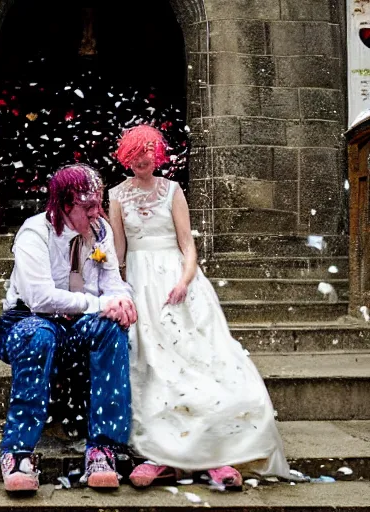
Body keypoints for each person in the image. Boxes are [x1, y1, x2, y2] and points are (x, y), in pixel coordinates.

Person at [108, 125, 291, 489]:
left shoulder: (172, 191)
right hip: (140, 283)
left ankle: (215, 452)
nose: (142, 159)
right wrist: (119, 289)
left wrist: (184, 281)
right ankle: (165, 455)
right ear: (127, 157)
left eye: (148, 152)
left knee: (198, 360)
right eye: (135, 153)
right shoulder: (116, 196)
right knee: (152, 365)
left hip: (176, 281)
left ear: (156, 154)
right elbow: (118, 251)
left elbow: (187, 245)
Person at [0, 164, 137, 492]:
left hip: (76, 327)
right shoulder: (34, 232)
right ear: (66, 204)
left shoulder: (100, 232)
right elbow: (40, 298)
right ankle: (17, 453)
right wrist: (101, 304)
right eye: (89, 206)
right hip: (27, 322)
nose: (98, 212)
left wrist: (123, 300)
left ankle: (103, 449)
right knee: (38, 335)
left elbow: (112, 282)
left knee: (111, 330)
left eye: (99, 203)